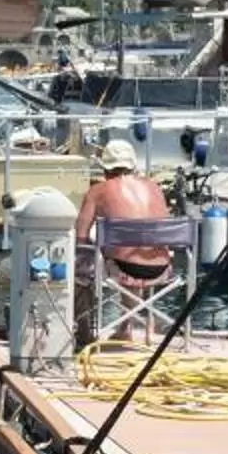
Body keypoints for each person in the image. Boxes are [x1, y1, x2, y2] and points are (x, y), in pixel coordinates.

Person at [73, 140, 174, 342]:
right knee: (132, 254)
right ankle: (126, 327)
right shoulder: (154, 188)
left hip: (125, 270)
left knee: (80, 268)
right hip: (162, 269)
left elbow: (80, 237)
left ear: (105, 167)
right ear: (133, 165)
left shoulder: (97, 191)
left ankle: (83, 334)